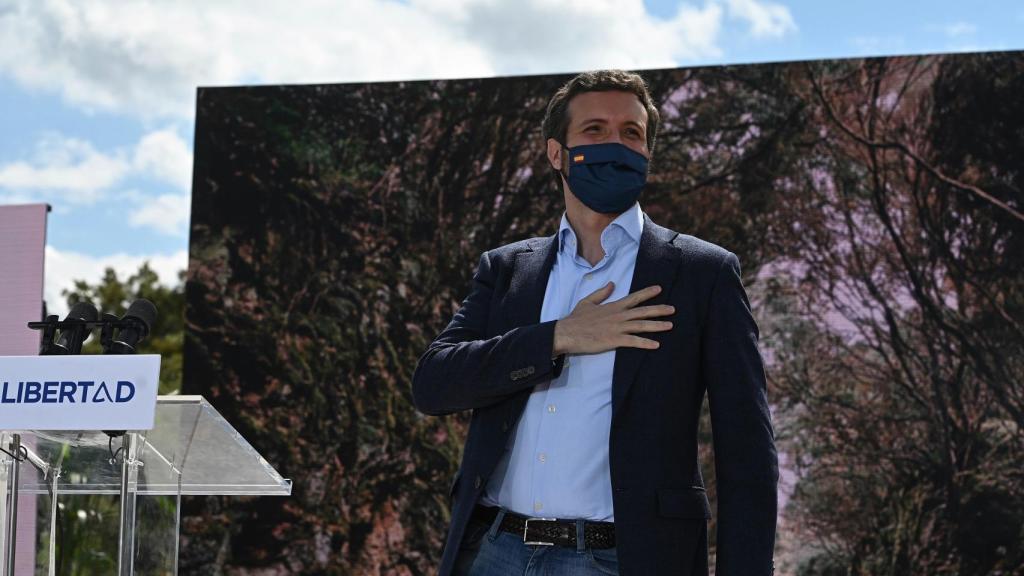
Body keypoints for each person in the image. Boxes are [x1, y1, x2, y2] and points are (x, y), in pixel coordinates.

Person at [412, 69, 778, 576]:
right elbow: (433, 384)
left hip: (622, 559)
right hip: (494, 551)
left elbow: (748, 454)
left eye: (631, 133)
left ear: (648, 152)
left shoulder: (702, 273)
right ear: (556, 153)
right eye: (594, 130)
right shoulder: (508, 269)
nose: (616, 144)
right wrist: (560, 337)